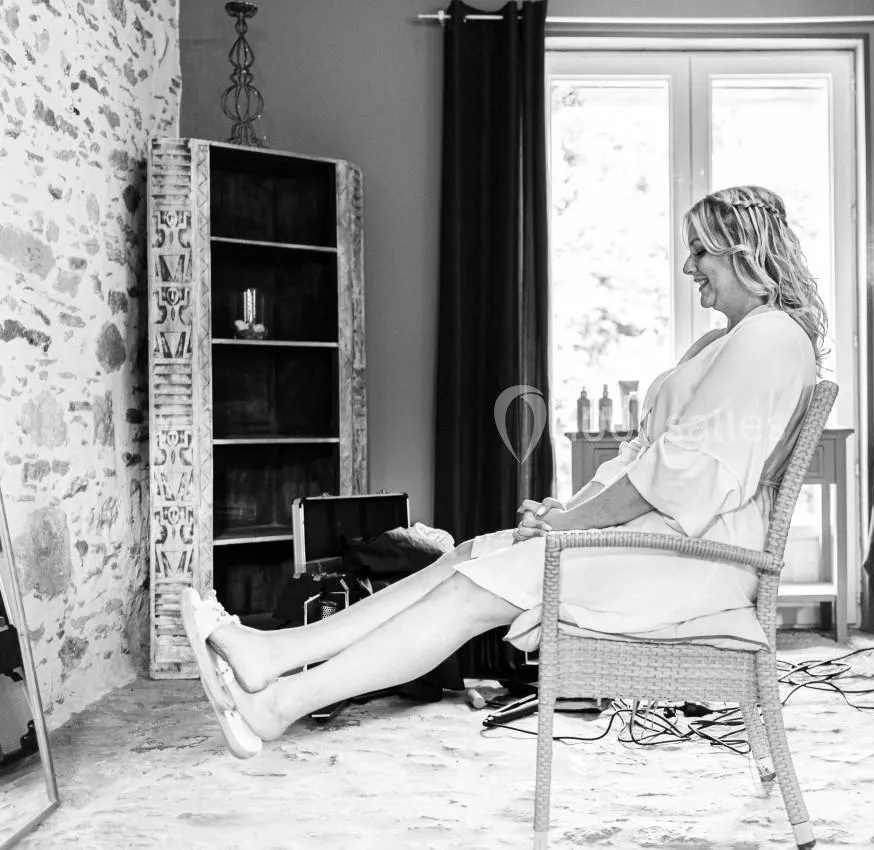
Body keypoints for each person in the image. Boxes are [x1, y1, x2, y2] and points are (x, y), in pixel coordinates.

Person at [181, 185, 828, 759]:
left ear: (744, 251)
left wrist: (574, 524)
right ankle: (275, 654)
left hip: (693, 559)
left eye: (701, 251)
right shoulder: (727, 339)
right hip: (664, 540)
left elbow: (687, 473)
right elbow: (645, 455)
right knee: (465, 557)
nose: (689, 266)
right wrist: (565, 512)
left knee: (470, 594)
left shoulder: (770, 337)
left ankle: (279, 704)